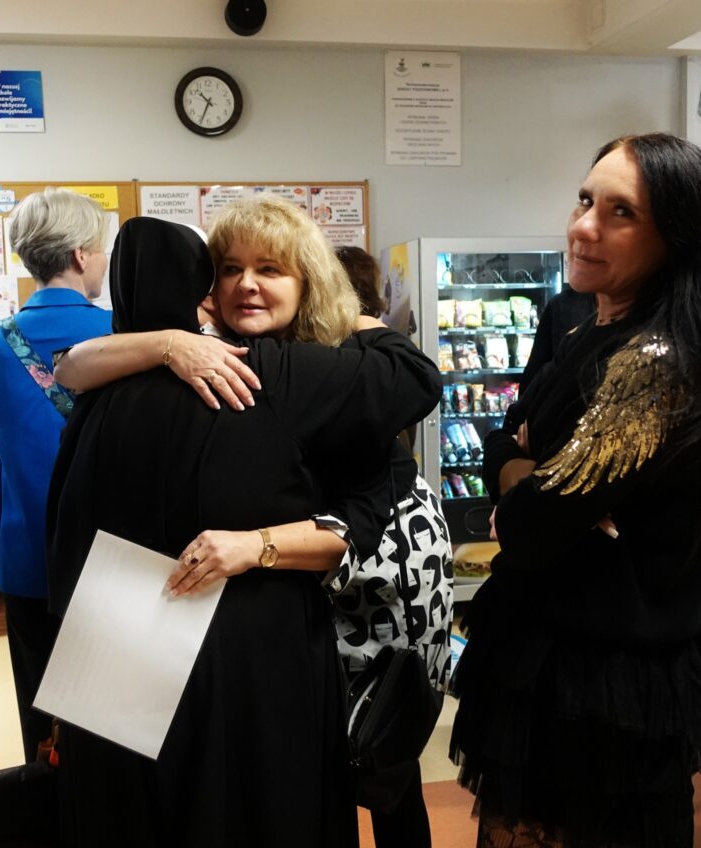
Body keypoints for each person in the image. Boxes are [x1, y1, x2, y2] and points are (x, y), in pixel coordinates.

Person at [47, 208, 442, 846]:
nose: (246, 284)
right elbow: (416, 377)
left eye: (271, 269)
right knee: (252, 804)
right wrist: (175, 343)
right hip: (243, 636)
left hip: (119, 629)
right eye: (229, 269)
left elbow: (67, 376)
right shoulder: (264, 371)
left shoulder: (97, 396)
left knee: (129, 810)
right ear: (205, 287)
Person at [448, 133, 701, 848]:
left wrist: (520, 472)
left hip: (599, 682)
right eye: (585, 200)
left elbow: (530, 525)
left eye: (621, 212)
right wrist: (516, 462)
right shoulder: (590, 332)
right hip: (554, 652)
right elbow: (513, 443)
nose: (584, 226)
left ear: (677, 238)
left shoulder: (656, 361)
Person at [0, 188, 112, 763]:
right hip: (108, 546)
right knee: (112, 708)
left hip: (25, 547)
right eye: (100, 248)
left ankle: (45, 791)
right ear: (80, 255)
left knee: (39, 698)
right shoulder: (124, 332)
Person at [331, 244, 454, 848]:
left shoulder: (350, 358)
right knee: (393, 750)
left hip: (380, 552)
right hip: (415, 546)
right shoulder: (376, 354)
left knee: (363, 741)